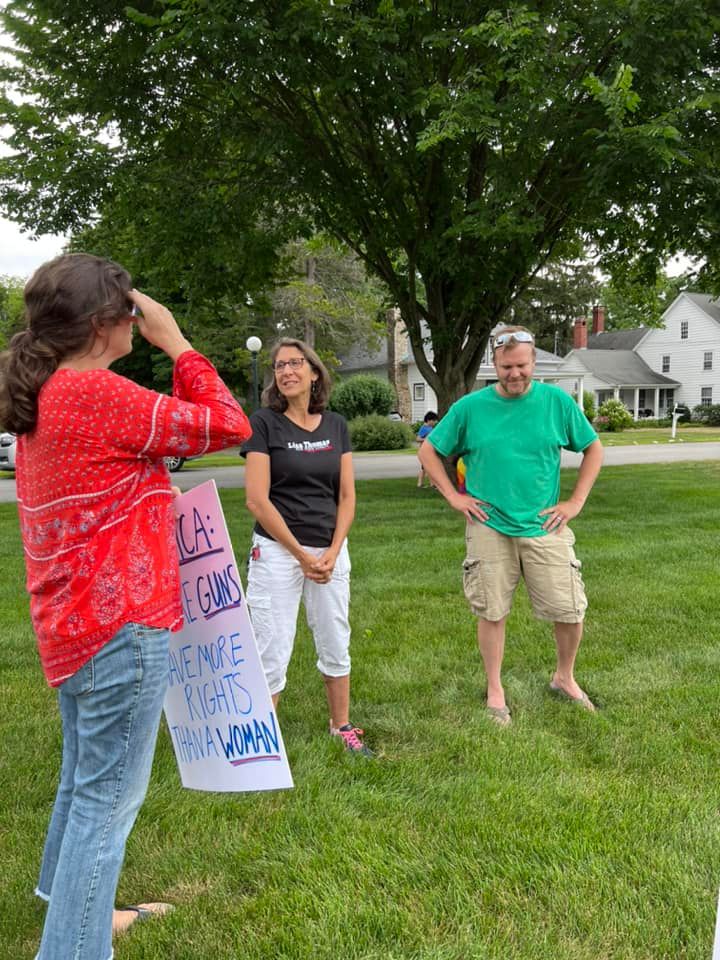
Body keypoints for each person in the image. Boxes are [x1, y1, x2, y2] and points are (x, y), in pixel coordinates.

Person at [0, 253, 252, 959]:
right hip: (121, 629)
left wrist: (145, 493)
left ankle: (69, 906)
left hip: (71, 624)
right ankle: (71, 947)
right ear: (103, 323)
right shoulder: (97, 393)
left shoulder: (45, 390)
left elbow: (103, 479)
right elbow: (230, 425)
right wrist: (178, 344)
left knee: (84, 778)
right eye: (130, 312)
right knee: (106, 801)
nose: (138, 323)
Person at [418, 326, 603, 726]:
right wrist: (454, 496)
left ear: (534, 362)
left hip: (544, 524)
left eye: (522, 365)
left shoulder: (556, 402)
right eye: (506, 367)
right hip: (489, 525)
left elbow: (593, 448)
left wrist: (575, 502)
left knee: (570, 609)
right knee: (492, 611)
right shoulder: (470, 408)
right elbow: (429, 451)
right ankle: (495, 689)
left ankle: (564, 678)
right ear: (494, 364)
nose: (514, 373)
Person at [242, 337, 372, 756]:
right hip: (277, 552)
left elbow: (347, 496)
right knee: (271, 645)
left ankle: (342, 726)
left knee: (335, 637)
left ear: (314, 372)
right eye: (279, 365)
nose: (287, 371)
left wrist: (333, 550)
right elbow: (256, 500)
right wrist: (301, 555)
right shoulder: (264, 423)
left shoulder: (335, 425)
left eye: (295, 363)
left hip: (329, 551)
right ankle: (261, 743)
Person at [415, 410, 438, 488]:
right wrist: (426, 439)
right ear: (429, 420)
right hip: (424, 451)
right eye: (434, 420)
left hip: (429, 451)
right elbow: (418, 439)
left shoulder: (430, 427)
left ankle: (430, 484)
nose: (435, 422)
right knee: (426, 468)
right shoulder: (424, 428)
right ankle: (423, 484)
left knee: (427, 468)